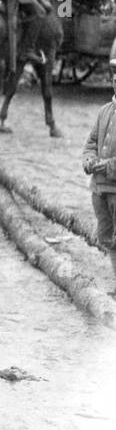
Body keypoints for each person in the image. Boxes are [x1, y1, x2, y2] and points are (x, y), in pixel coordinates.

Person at [82, 56, 116, 296]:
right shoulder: (104, 111)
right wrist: (89, 160)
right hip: (100, 190)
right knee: (106, 236)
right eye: (115, 78)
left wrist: (108, 166)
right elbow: (91, 142)